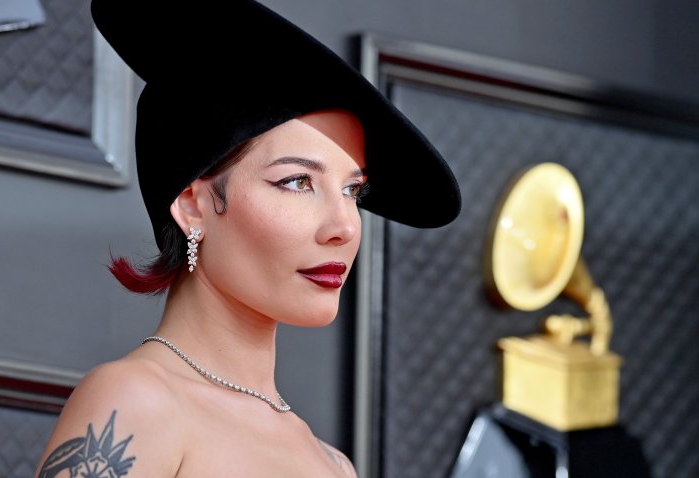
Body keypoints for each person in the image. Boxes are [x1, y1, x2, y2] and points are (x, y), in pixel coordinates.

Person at [35, 1, 460, 477]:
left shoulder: (335, 465)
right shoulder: (135, 402)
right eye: (297, 182)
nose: (344, 226)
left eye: (352, 191)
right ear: (192, 205)